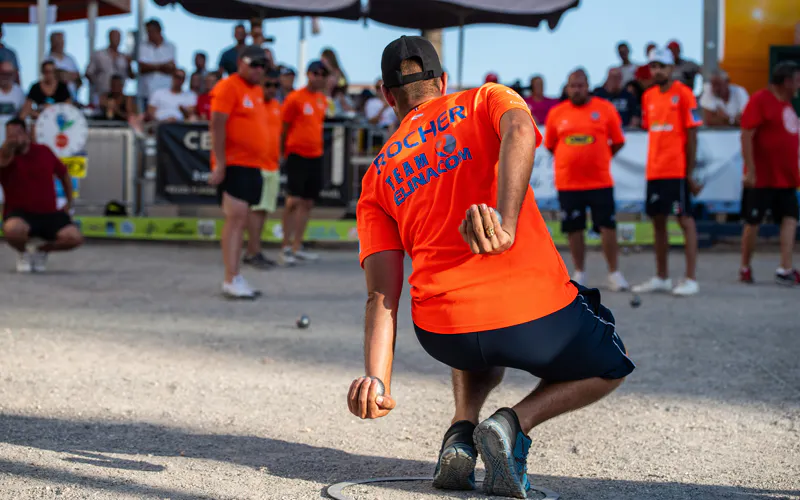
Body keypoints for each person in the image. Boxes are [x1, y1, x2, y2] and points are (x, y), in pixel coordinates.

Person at [347, 35, 634, 499]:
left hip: (444, 333)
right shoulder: (484, 97)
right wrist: (505, 221)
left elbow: (381, 296)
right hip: (532, 317)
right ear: (443, 81)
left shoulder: (376, 176)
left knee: (477, 346)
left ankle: (460, 430)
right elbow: (521, 131)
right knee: (610, 360)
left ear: (386, 95)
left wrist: (377, 379)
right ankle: (513, 423)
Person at [545, 69, 630, 291]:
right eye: (573, 86)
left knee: (607, 227)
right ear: (567, 88)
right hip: (568, 183)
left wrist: (599, 157)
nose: (576, 90)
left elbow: (618, 141)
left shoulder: (605, 109)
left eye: (581, 85)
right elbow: (551, 145)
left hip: (600, 182)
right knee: (574, 229)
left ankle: (614, 273)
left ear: (588, 86)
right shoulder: (556, 113)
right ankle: (580, 273)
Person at [632, 48, 703, 296]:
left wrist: (690, 172)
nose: (657, 71)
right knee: (658, 222)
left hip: (677, 170)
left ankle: (691, 278)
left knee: (685, 221)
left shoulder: (684, 94)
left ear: (671, 68)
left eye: (662, 66)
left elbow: (692, 136)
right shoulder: (648, 96)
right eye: (653, 66)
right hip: (655, 171)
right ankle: (661, 277)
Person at [207, 46, 270, 298]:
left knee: (242, 219)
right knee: (235, 218)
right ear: (240, 63)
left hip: (252, 164)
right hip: (234, 163)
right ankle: (230, 278)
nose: (259, 69)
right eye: (254, 64)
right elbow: (217, 125)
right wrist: (220, 163)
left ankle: (235, 275)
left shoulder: (255, 90)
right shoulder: (228, 86)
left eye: (262, 65)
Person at [738, 61, 800, 285]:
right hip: (763, 177)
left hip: (786, 178)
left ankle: (786, 268)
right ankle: (745, 266)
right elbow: (746, 134)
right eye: (797, 80)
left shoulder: (787, 105)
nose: (798, 85)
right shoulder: (761, 100)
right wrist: (751, 170)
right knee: (753, 221)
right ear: (786, 81)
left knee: (790, 219)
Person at [0, 118, 83, 273]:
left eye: (16, 134)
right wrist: (8, 149)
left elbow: (64, 174)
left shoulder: (44, 151)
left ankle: (40, 251)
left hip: (49, 213)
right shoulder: (5, 155)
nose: (13, 139)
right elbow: (3, 162)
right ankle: (23, 253)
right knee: (12, 229)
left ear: (26, 134)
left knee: (74, 238)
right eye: (9, 135)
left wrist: (69, 202)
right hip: (20, 213)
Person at [279, 60, 329, 265]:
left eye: (322, 74)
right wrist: (282, 152)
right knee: (293, 201)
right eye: (314, 73)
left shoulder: (322, 100)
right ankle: (284, 247)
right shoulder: (295, 98)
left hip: (315, 154)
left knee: (308, 203)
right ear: (308, 74)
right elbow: (283, 127)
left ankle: (297, 246)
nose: (318, 77)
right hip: (296, 154)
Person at [243, 70, 283, 270]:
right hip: (256, 165)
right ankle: (252, 252)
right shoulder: (253, 103)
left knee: (263, 211)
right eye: (268, 85)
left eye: (276, 85)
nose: (272, 89)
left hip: (272, 165)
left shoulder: (277, 106)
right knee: (255, 211)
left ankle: (255, 250)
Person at [85, 29, 133, 107]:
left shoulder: (124, 57)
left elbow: (132, 76)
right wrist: (96, 85)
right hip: (102, 95)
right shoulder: (99, 55)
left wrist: (129, 64)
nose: (116, 40)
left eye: (118, 37)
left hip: (119, 99)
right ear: (109, 38)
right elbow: (88, 73)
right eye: (114, 37)